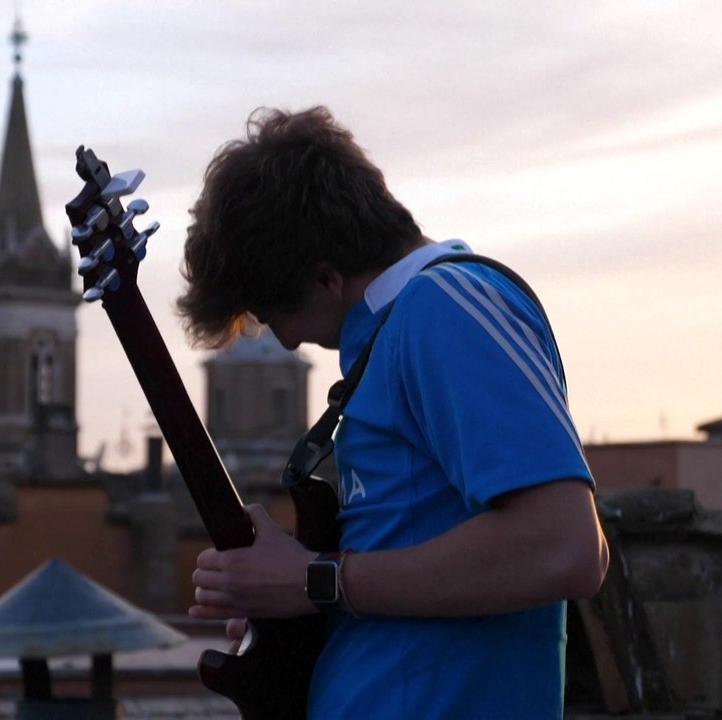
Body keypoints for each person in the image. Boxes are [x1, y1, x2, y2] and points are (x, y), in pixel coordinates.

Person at [176, 106, 608, 719]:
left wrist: (313, 581)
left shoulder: (444, 307)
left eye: (276, 315)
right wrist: (297, 602)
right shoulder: (406, 326)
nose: (289, 342)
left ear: (326, 278)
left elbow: (566, 547)